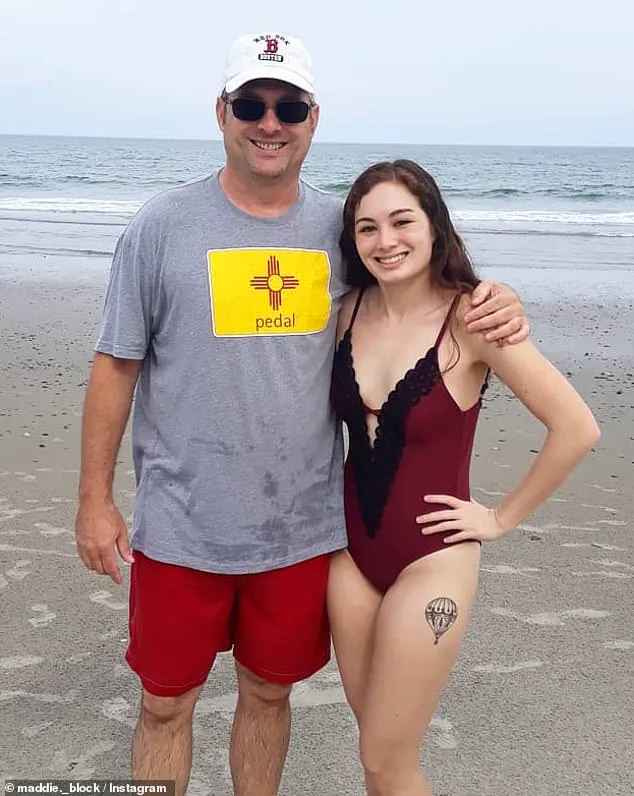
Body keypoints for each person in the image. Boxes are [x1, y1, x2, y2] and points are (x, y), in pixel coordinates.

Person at [74, 34, 529, 796]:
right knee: (164, 705)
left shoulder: (341, 233)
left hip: (300, 530)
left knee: (267, 694)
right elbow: (116, 365)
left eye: (289, 107)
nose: (269, 122)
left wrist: (498, 297)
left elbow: (417, 289)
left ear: (313, 119)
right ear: (221, 112)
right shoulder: (162, 227)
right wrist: (94, 499)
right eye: (250, 104)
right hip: (182, 525)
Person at [328, 159, 600, 796]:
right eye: (367, 228)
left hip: (434, 560)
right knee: (376, 748)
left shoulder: (473, 321)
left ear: (434, 226)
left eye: (402, 222)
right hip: (348, 556)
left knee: (387, 757)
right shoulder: (345, 312)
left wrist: (500, 517)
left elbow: (576, 427)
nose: (385, 241)